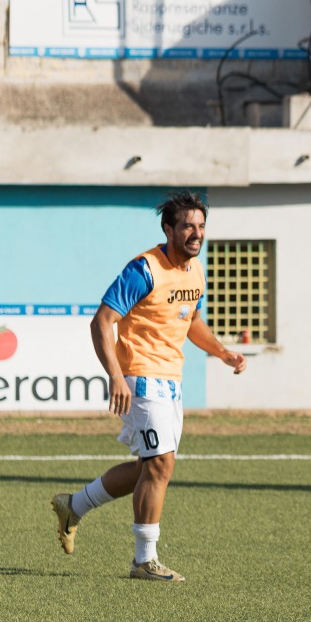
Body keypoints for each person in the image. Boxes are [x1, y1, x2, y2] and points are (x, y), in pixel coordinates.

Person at [52, 191, 247, 582]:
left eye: (201, 226)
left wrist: (222, 352)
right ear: (168, 229)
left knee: (148, 466)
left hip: (171, 380)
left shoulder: (195, 270)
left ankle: (74, 505)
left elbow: (191, 321)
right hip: (140, 377)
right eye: (188, 226)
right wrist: (115, 376)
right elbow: (102, 321)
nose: (196, 233)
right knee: (161, 464)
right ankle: (144, 560)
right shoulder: (144, 269)